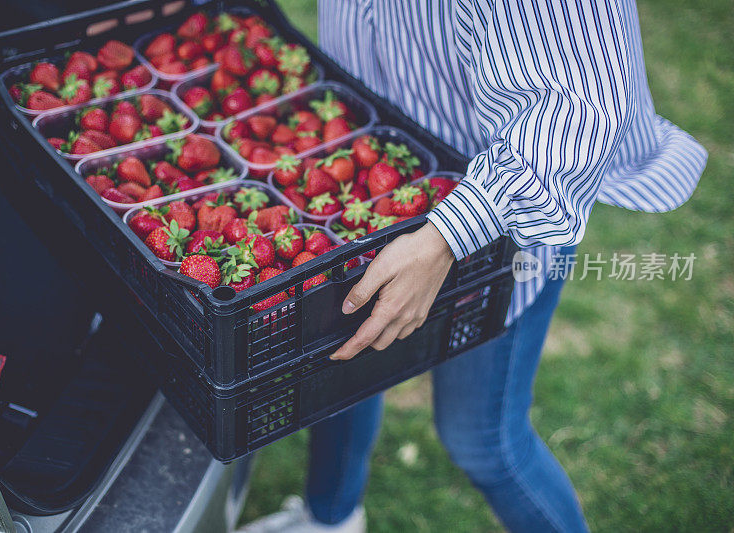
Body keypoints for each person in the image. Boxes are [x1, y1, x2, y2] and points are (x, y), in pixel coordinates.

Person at [239, 1, 706, 532]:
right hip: (364, 184)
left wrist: (446, 235)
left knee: (483, 440)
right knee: (342, 369)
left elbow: (579, 107)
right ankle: (331, 518)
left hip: (500, 233)